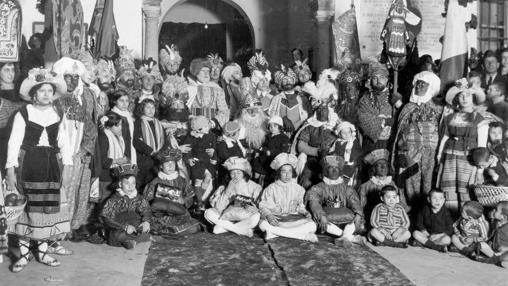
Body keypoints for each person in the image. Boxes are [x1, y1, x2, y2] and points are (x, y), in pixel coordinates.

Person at [6, 68, 71, 272]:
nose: (45, 94)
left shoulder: (58, 114)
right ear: (33, 94)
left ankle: (42, 251)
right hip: (28, 166)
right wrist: (10, 171)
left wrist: (68, 166)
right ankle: (24, 255)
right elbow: (13, 143)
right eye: (41, 90)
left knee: (46, 207)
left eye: (49, 91)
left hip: (51, 167)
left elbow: (65, 143)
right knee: (27, 208)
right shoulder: (23, 114)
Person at [53, 57, 99, 239]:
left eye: (74, 77)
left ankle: (71, 227)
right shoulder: (54, 96)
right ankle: (53, 231)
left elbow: (90, 126)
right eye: (67, 77)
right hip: (57, 152)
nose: (71, 81)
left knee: (77, 189)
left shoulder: (85, 96)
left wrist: (83, 151)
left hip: (78, 152)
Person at [437, 79, 488, 214]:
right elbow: (445, 138)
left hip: (469, 161)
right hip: (449, 159)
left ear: (473, 98)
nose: (464, 98)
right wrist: (439, 156)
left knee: (466, 191)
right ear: (456, 98)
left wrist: (480, 171)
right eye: (461, 95)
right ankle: (450, 221)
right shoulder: (449, 117)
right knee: (449, 191)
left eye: (468, 95)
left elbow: (482, 147)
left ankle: (467, 223)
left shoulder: (480, 120)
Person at [393, 71, 443, 208]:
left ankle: (428, 209)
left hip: (430, 151)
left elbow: (443, 129)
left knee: (429, 179)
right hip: (410, 149)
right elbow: (400, 131)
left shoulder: (439, 109)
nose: (419, 87)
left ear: (431, 87)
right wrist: (402, 151)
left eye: (424, 84)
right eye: (418, 83)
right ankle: (411, 209)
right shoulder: (408, 107)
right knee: (410, 180)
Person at [258, 153, 318, 242]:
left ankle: (274, 234)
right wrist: (269, 216)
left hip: (293, 219)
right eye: (284, 171)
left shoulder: (299, 189)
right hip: (276, 219)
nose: (287, 174)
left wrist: (305, 212)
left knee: (312, 226)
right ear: (278, 173)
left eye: (290, 171)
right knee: (262, 224)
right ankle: (303, 236)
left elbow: (300, 207)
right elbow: (263, 206)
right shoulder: (270, 188)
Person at [305, 156, 365, 244]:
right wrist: (321, 216)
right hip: (326, 219)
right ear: (325, 171)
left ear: (340, 171)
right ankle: (348, 237)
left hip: (346, 220)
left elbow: (354, 201)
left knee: (356, 221)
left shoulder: (347, 188)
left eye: (336, 168)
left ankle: (343, 237)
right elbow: (314, 202)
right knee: (317, 222)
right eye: (331, 168)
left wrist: (358, 214)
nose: (334, 170)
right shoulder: (318, 187)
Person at [143, 148, 201, 235]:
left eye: (172, 163)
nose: (170, 166)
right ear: (161, 166)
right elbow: (146, 201)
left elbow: (190, 198)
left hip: (179, 215)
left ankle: (169, 231)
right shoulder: (154, 182)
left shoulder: (182, 180)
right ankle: (167, 230)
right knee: (155, 226)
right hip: (161, 217)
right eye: (167, 163)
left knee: (195, 227)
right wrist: (157, 201)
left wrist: (183, 200)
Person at [205, 157, 262, 237]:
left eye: (238, 173)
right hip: (226, 217)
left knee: (256, 216)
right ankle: (241, 231)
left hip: (245, 217)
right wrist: (227, 190)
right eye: (232, 173)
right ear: (229, 174)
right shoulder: (223, 187)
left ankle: (223, 228)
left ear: (244, 173)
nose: (235, 176)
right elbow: (218, 208)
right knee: (208, 213)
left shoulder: (254, 186)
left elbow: (261, 205)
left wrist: (255, 208)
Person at [101, 165, 151, 250]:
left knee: (145, 229)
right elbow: (107, 217)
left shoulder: (138, 197)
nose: (131, 186)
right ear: (120, 184)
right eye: (127, 183)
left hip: (134, 224)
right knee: (116, 235)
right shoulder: (114, 199)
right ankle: (131, 240)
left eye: (133, 183)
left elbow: (146, 209)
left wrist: (146, 221)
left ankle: (131, 241)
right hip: (119, 226)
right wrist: (125, 227)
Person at [358, 149, 409, 230]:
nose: (383, 167)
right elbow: (361, 207)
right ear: (374, 169)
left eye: (385, 164)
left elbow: (402, 205)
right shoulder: (365, 186)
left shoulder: (394, 186)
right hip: (373, 220)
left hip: (393, 222)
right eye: (379, 164)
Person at [295, 104, 337, 189]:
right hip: (312, 160)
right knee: (307, 181)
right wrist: (317, 151)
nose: (321, 111)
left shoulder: (336, 128)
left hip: (331, 161)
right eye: (319, 108)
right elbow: (300, 146)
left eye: (324, 109)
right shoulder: (309, 126)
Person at [357, 62, 395, 153]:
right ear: (370, 81)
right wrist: (384, 121)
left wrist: (399, 105)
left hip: (389, 144)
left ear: (387, 80)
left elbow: (402, 120)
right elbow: (362, 118)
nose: (378, 81)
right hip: (370, 145)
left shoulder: (394, 98)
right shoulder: (365, 99)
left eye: (382, 78)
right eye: (375, 78)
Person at [182, 116, 217, 205]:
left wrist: (214, 156)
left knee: (208, 177)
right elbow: (187, 149)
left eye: (207, 126)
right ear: (198, 129)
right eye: (204, 127)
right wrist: (188, 159)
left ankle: (201, 197)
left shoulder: (211, 135)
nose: (207, 128)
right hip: (196, 161)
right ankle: (199, 201)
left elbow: (214, 147)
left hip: (206, 161)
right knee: (198, 179)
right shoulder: (191, 136)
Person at [97, 112, 130, 204]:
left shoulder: (117, 137)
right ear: (109, 127)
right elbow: (102, 160)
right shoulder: (103, 137)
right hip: (105, 177)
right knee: (104, 203)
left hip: (114, 175)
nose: (121, 128)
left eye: (121, 125)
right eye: (118, 126)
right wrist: (117, 161)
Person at [187, 57, 230, 127]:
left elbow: (224, 112)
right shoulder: (188, 88)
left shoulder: (217, 89)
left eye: (208, 71)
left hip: (211, 128)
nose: (206, 74)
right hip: (192, 126)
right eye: (203, 71)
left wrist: (212, 123)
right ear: (196, 72)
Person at [133, 99, 166, 188]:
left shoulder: (158, 123)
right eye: (147, 107)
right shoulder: (138, 123)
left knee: (156, 183)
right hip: (144, 158)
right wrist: (150, 151)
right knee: (144, 183)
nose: (151, 110)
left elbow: (164, 140)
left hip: (158, 157)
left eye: (153, 107)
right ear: (142, 109)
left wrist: (160, 153)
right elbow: (135, 140)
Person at [268, 65, 311, 132]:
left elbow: (308, 116)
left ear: (294, 81)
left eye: (290, 79)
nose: (288, 82)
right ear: (281, 83)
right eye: (285, 80)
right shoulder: (276, 99)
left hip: (299, 132)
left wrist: (296, 125)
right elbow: (271, 115)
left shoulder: (302, 98)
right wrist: (283, 118)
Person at [327, 121, 361, 185]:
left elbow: (359, 151)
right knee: (336, 176)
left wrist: (352, 153)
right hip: (339, 163)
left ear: (351, 132)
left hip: (349, 164)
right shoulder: (338, 142)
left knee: (346, 179)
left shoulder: (354, 141)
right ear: (339, 134)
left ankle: (346, 186)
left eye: (348, 132)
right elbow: (333, 150)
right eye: (344, 133)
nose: (346, 134)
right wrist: (333, 154)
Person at [475, 201, 508, 267]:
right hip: (493, 251)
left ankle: (492, 260)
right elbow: (492, 235)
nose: (493, 210)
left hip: (503, 251)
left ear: (503, 217)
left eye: (496, 210)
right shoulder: (496, 222)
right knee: (481, 245)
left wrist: (506, 248)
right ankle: (496, 258)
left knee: (505, 257)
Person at [109, 89, 137, 165]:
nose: (125, 104)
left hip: (129, 150)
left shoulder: (128, 116)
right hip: (118, 152)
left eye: (127, 101)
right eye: (121, 100)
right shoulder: (112, 116)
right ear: (115, 101)